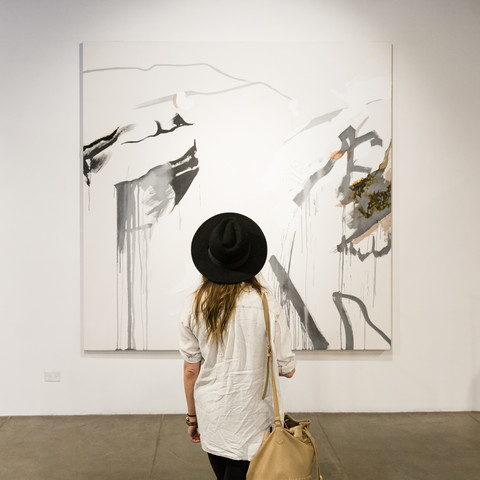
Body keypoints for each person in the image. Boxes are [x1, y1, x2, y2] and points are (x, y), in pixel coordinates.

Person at [179, 212, 296, 480]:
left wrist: (192, 418)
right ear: (250, 257)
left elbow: (190, 371)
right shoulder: (266, 302)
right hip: (254, 419)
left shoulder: (194, 305)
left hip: (213, 415)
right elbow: (287, 369)